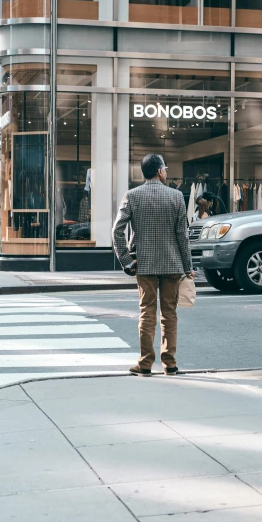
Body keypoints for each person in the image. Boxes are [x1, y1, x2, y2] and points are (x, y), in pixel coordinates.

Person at [112, 154, 194, 377]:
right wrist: (188, 267)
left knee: (147, 313)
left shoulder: (132, 196)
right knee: (169, 314)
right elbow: (182, 236)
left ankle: (145, 363)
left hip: (144, 264)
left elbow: (117, 231)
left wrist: (127, 261)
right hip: (172, 264)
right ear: (159, 171)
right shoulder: (177, 197)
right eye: (165, 169)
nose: (166, 172)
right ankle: (170, 364)